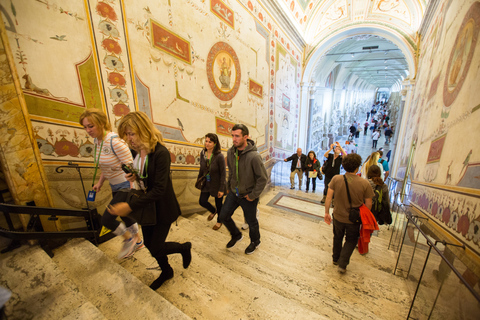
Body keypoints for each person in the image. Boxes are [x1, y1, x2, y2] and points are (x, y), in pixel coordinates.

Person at [108, 111, 192, 290]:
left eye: (132, 133)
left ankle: (184, 248)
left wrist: (128, 206)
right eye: (126, 135)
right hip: (146, 208)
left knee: (156, 246)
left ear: (144, 130)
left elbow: (159, 190)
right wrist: (133, 176)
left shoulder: (160, 153)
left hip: (162, 207)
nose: (129, 139)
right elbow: (144, 178)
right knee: (150, 245)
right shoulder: (135, 151)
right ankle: (166, 271)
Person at [79, 108, 143, 259]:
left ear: (101, 123)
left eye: (91, 126)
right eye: (85, 127)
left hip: (126, 185)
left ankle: (129, 239)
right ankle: (139, 242)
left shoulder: (115, 142)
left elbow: (131, 167)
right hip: (114, 184)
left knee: (107, 219)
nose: (88, 130)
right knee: (126, 216)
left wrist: (133, 188)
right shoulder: (97, 141)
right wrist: (100, 182)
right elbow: (106, 166)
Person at [219, 124, 267, 255]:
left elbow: (263, 178)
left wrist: (253, 195)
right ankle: (236, 235)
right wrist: (229, 187)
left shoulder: (254, 156)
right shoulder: (230, 152)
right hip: (234, 193)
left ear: (245, 137)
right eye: (232, 136)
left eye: (237, 136)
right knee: (223, 216)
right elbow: (232, 172)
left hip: (248, 195)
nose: (234, 139)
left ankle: (255, 241)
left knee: (251, 221)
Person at [323, 154, 374, 273]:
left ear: (344, 165)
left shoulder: (336, 179)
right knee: (351, 240)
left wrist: (326, 212)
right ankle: (343, 263)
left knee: (337, 237)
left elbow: (328, 198)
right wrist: (364, 216)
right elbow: (369, 204)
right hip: (354, 219)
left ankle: (335, 259)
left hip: (338, 216)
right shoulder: (364, 183)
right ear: (357, 167)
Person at [198, 133, 226, 230]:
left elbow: (223, 173)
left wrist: (221, 189)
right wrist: (199, 180)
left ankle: (219, 220)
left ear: (215, 143)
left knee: (219, 204)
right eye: (206, 141)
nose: (207, 143)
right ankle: (213, 211)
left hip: (217, 184)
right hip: (206, 182)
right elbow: (201, 169)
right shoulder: (202, 153)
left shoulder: (219, 156)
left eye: (210, 142)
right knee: (202, 201)